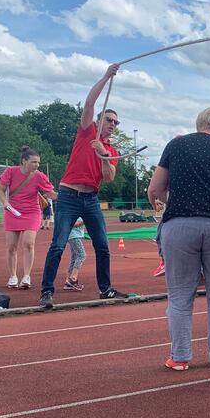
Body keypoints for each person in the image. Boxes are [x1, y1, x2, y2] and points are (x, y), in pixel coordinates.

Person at [148, 107, 210, 371]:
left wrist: (174, 202)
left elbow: (155, 189)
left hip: (180, 226)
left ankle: (179, 357)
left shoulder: (176, 146)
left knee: (179, 295)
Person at [39, 64, 126, 309]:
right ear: (99, 121)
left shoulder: (110, 150)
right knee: (57, 244)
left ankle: (105, 289)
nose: (112, 124)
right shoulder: (87, 132)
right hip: (68, 195)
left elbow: (109, 177)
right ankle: (46, 292)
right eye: (109, 120)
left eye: (116, 123)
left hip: (91, 199)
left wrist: (103, 155)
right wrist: (106, 76)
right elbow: (89, 104)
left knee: (103, 246)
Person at [0, 146, 57, 289]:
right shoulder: (11, 171)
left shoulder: (39, 176)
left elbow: (51, 194)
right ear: (24, 161)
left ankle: (26, 276)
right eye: (33, 162)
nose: (36, 165)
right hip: (13, 211)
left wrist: (68, 196)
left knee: (29, 243)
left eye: (38, 163)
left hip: (32, 212)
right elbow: (0, 189)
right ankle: (12, 276)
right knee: (11, 246)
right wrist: (5, 203)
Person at [64, 218, 86, 291]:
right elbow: (72, 224)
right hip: (74, 236)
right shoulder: (75, 211)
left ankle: (68, 281)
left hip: (74, 236)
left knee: (74, 257)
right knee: (81, 255)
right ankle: (73, 278)